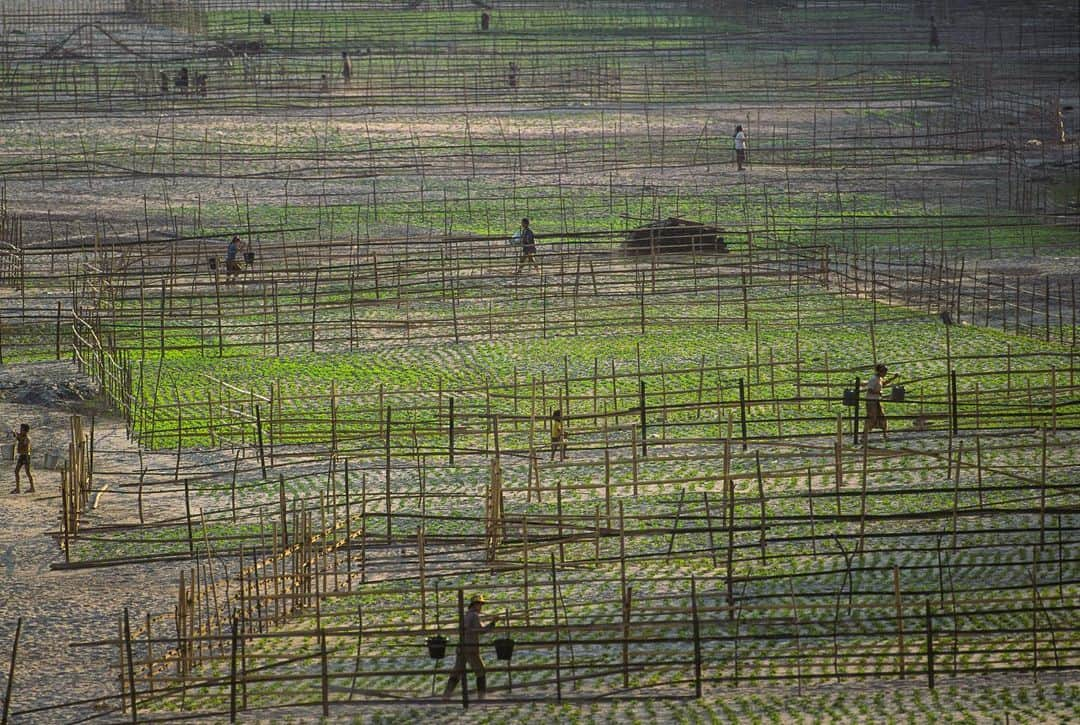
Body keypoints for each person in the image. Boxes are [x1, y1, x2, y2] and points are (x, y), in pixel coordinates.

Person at [442, 594, 498, 701]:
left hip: (461, 647)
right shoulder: (474, 616)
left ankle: (446, 695)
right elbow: (481, 630)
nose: (481, 607)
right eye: (480, 604)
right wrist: (493, 623)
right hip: (470, 648)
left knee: (457, 672)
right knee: (481, 671)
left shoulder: (466, 615)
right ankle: (481, 696)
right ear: (475, 605)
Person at [862, 364, 893, 443]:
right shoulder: (873, 379)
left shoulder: (879, 379)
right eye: (884, 372)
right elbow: (870, 390)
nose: (885, 374)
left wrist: (893, 378)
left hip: (877, 401)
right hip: (871, 401)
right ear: (880, 371)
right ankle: (864, 437)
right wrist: (878, 392)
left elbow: (884, 383)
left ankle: (885, 435)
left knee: (882, 417)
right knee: (871, 418)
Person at [11, 423, 33, 494]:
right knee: (16, 471)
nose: (20, 431)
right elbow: (18, 437)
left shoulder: (27, 438)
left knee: (27, 472)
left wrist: (17, 436)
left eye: (22, 430)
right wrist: (15, 434)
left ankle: (32, 487)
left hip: (26, 457)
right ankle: (17, 489)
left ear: (25, 431)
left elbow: (23, 443)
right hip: (22, 456)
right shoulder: (22, 436)